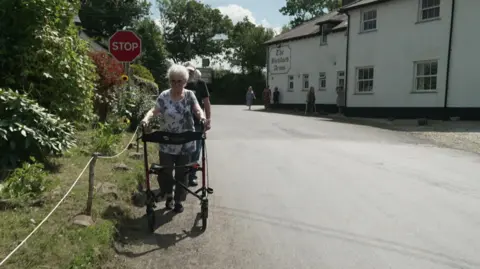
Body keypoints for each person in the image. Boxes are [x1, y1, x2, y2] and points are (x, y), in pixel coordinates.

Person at [140, 64, 206, 213]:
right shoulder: (164, 95)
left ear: (185, 82)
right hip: (167, 141)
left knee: (183, 173)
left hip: (185, 141)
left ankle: (178, 201)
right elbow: (155, 110)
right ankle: (168, 194)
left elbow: (196, 108)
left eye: (179, 81)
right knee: (165, 172)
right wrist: (147, 118)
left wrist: (201, 116)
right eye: (173, 81)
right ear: (170, 81)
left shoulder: (189, 95)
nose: (176, 84)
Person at [184, 62, 211, 187]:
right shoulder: (180, 83)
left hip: (197, 123)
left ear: (194, 72)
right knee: (183, 150)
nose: (189, 74)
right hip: (182, 123)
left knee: (196, 150)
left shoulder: (201, 84)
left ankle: (192, 175)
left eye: (191, 71)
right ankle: (182, 175)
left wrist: (208, 119)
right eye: (187, 71)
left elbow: (206, 102)